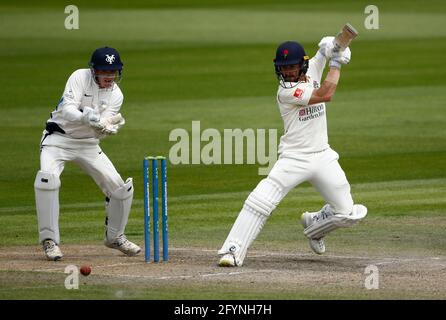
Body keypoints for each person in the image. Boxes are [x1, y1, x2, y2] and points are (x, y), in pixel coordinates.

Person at [218, 37, 367, 267]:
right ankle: (232, 250)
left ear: (303, 65)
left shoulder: (313, 68)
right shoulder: (285, 93)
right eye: (283, 68)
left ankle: (314, 225)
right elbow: (325, 94)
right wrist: (337, 64)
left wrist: (333, 47)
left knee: (348, 213)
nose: (287, 72)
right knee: (261, 200)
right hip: (294, 157)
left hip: (323, 155)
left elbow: (322, 51)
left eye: (291, 66)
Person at [34, 46, 141, 261]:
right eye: (105, 72)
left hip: (88, 144)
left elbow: (100, 128)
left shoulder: (116, 95)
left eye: (113, 72)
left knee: (120, 188)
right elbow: (66, 110)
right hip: (58, 139)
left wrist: (105, 128)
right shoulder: (79, 77)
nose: (109, 76)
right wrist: (86, 117)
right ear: (94, 71)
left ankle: (115, 237)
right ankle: (50, 241)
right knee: (48, 180)